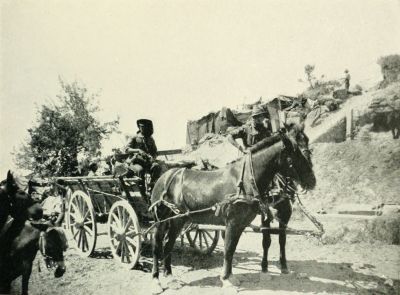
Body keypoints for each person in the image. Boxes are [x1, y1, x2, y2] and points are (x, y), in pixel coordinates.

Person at [125, 119, 161, 195]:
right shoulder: (134, 137)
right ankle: (142, 192)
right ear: (139, 127)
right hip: (135, 162)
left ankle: (153, 186)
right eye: (142, 127)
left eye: (146, 127)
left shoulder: (150, 139)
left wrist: (153, 157)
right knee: (140, 170)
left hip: (147, 162)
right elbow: (126, 149)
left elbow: (155, 152)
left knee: (157, 167)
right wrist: (138, 150)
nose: (144, 129)